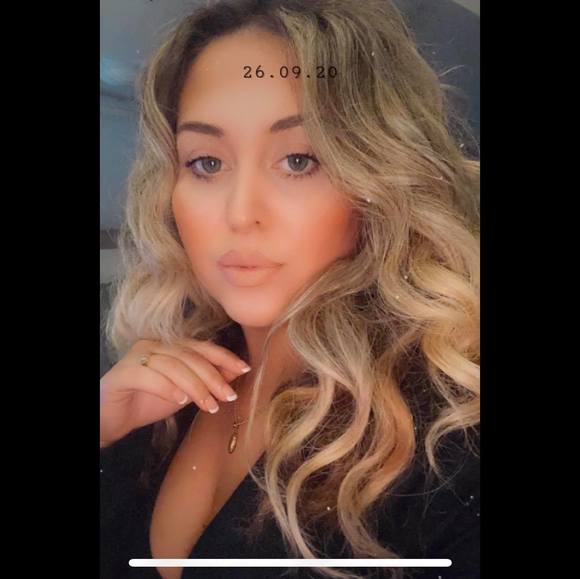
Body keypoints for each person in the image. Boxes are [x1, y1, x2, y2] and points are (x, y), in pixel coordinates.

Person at [99, 1, 480, 578]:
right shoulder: (152, 390)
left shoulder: (450, 444)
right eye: (206, 163)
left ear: (379, 181)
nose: (240, 213)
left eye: (299, 160)